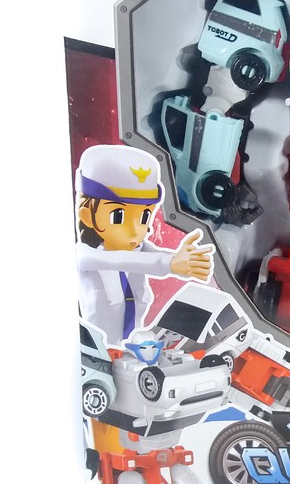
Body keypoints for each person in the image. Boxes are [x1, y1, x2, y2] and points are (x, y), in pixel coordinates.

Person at [75, 144, 214, 349]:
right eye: (118, 216)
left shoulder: (139, 250)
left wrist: (183, 262)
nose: (135, 231)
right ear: (87, 216)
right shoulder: (86, 255)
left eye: (144, 216)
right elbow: (125, 261)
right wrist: (170, 263)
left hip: (134, 349)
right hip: (97, 351)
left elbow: (152, 258)